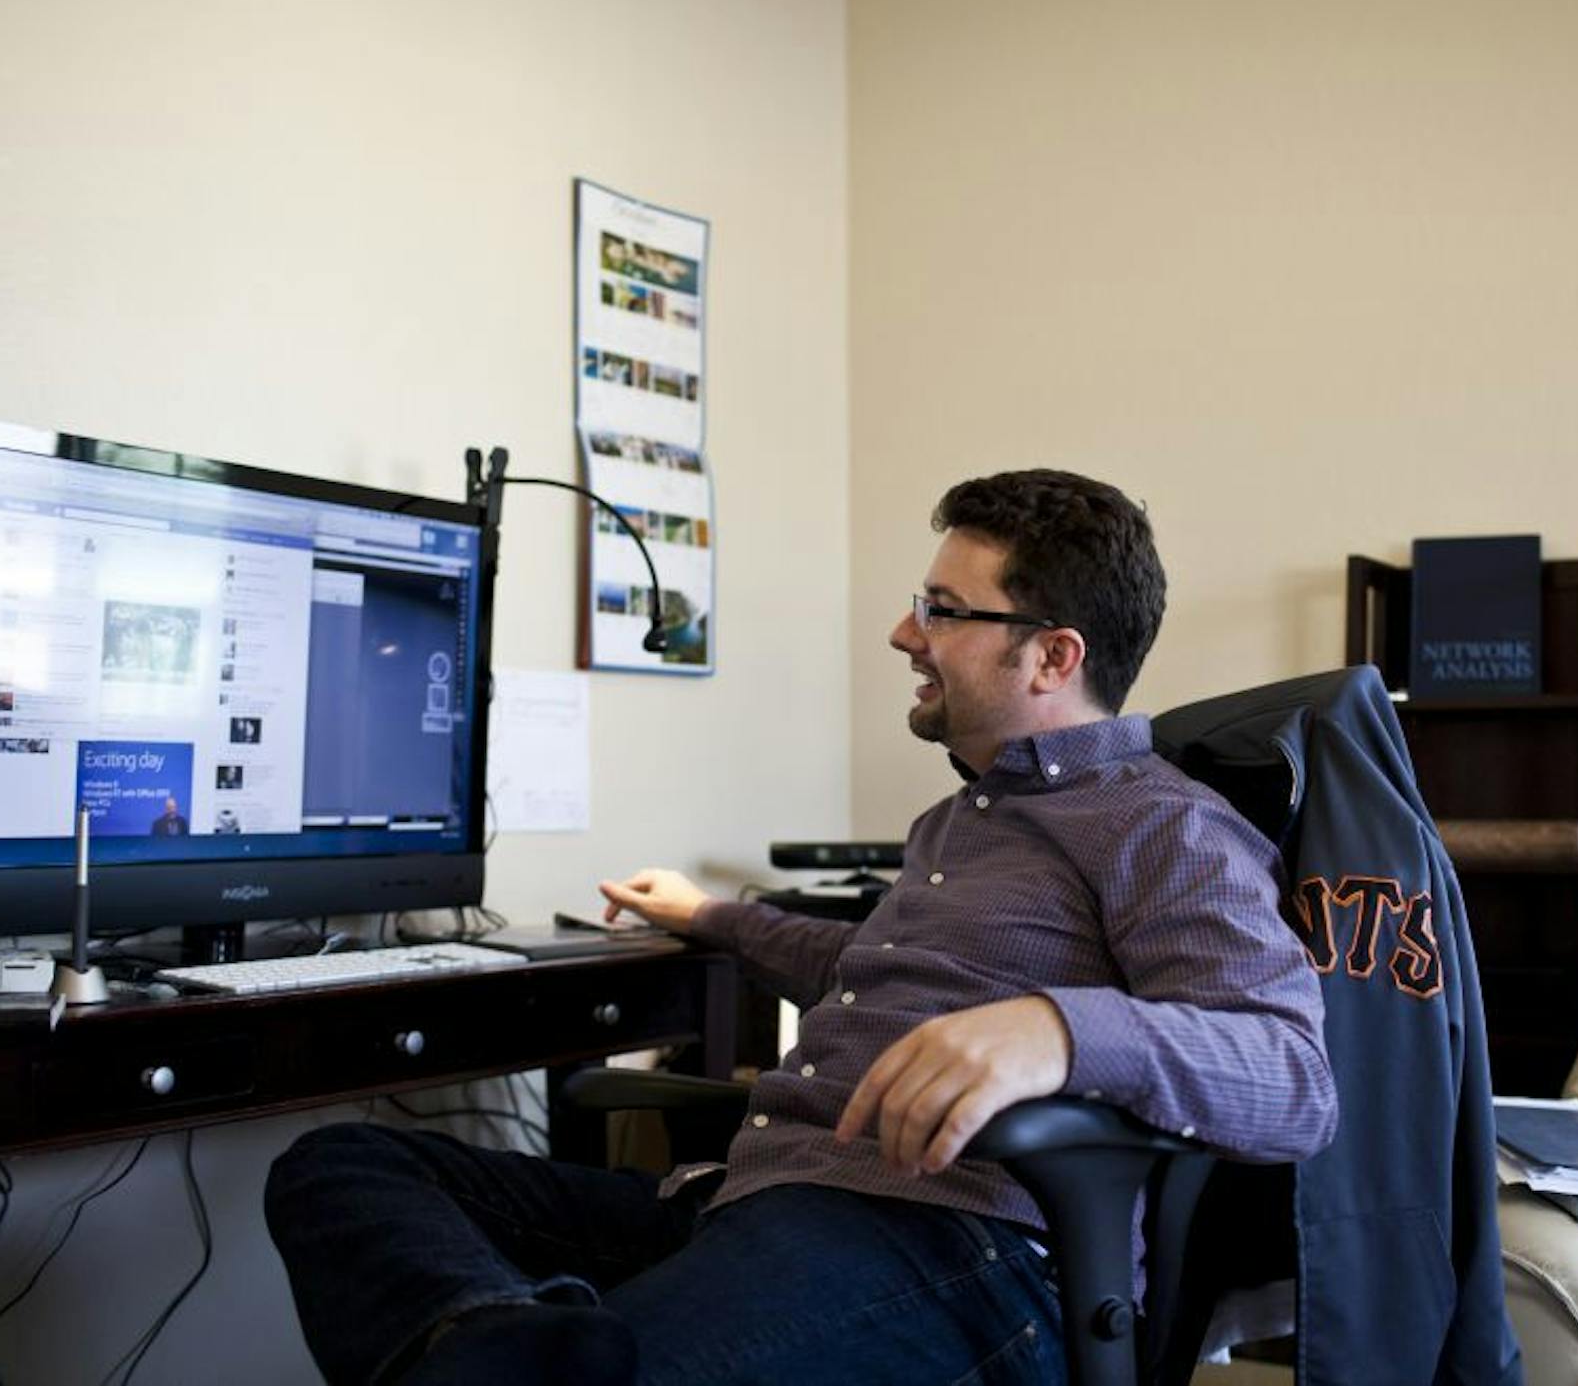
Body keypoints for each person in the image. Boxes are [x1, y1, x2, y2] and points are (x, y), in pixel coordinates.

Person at [264, 470, 1334, 1385]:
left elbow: (1293, 1080)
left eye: (942, 610)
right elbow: (863, 971)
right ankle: (513, 1355)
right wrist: (710, 915)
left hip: (957, 1244)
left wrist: (1056, 1030)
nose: (904, 633)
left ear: (1052, 656)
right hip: (754, 1196)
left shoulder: (1163, 825)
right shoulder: (960, 818)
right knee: (342, 1168)